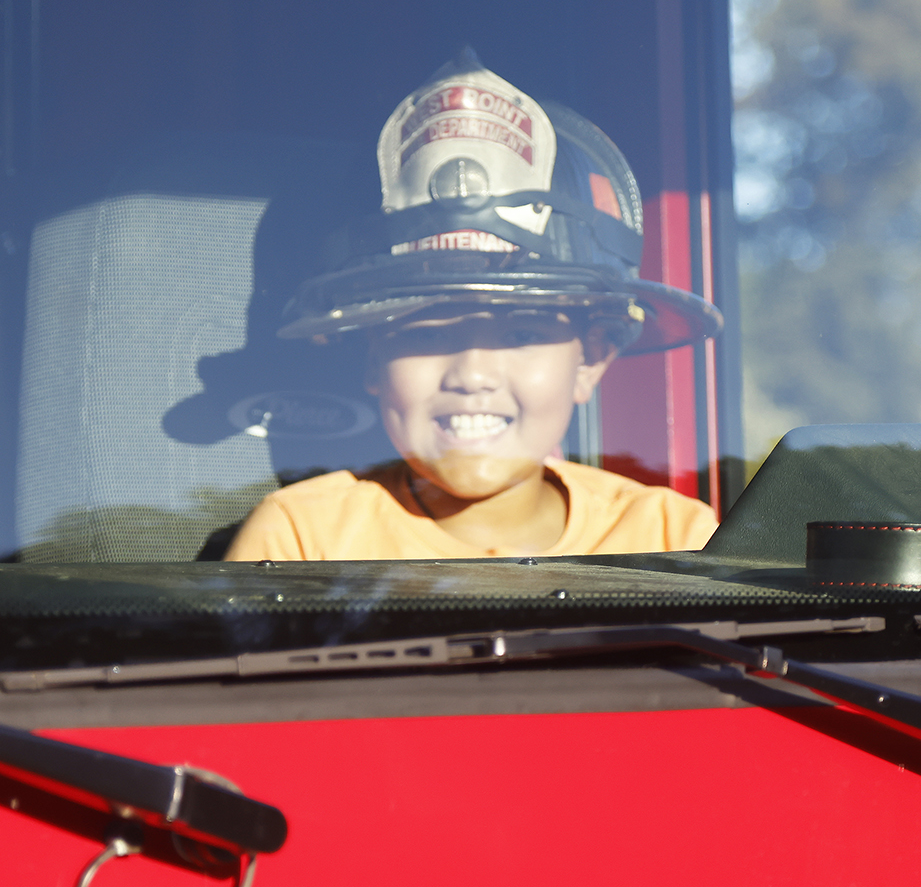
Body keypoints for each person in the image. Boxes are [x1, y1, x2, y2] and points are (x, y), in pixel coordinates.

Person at [227, 52, 722, 561]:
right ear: (373, 359)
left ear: (591, 361)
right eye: (426, 333)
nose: (472, 375)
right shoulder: (301, 543)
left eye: (522, 334)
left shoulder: (675, 541)